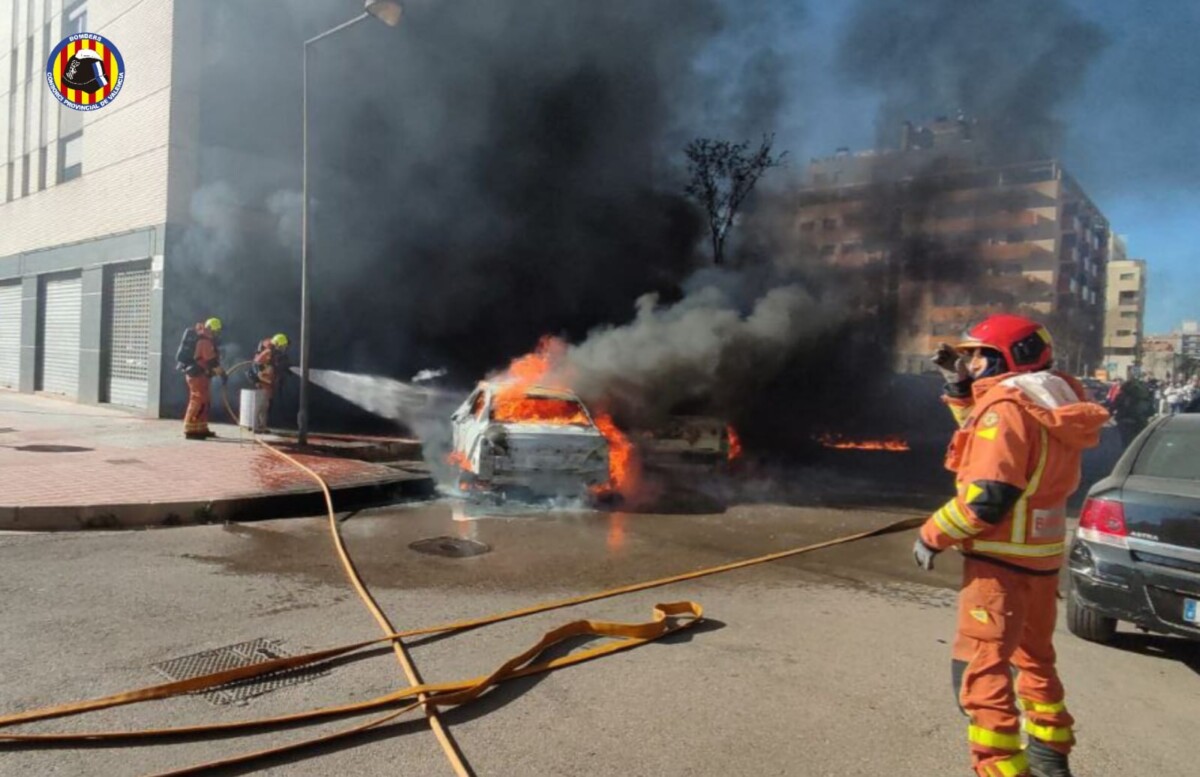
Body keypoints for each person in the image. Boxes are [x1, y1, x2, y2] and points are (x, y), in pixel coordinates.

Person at [919, 314, 1109, 777]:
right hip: (1039, 559)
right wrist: (960, 389)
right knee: (1036, 663)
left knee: (982, 677)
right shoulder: (1051, 398)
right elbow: (990, 438)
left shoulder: (1006, 408)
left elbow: (986, 500)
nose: (974, 362)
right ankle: (1049, 759)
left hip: (999, 564)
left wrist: (931, 535)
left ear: (1011, 355)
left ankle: (1003, 769)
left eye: (980, 354)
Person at [179, 318, 227, 440]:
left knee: (205, 401)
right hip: (197, 375)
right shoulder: (204, 341)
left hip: (202, 375)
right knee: (197, 400)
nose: (218, 334)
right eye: (216, 331)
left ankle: (200, 428)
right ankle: (189, 429)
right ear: (211, 329)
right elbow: (210, 361)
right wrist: (221, 372)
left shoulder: (207, 340)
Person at [248, 333, 290, 431]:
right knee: (260, 405)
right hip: (263, 383)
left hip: (268, 384)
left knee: (266, 406)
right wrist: (262, 377)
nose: (284, 349)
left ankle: (262, 426)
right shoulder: (268, 352)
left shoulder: (274, 354)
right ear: (277, 345)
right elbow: (257, 364)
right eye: (282, 346)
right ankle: (255, 426)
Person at [1112, 378, 1155, 448]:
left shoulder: (1121, 396)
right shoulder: (1144, 398)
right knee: (1139, 442)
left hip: (1124, 421)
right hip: (1139, 422)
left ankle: (1128, 454)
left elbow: (1114, 406)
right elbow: (1151, 412)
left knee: (1126, 442)